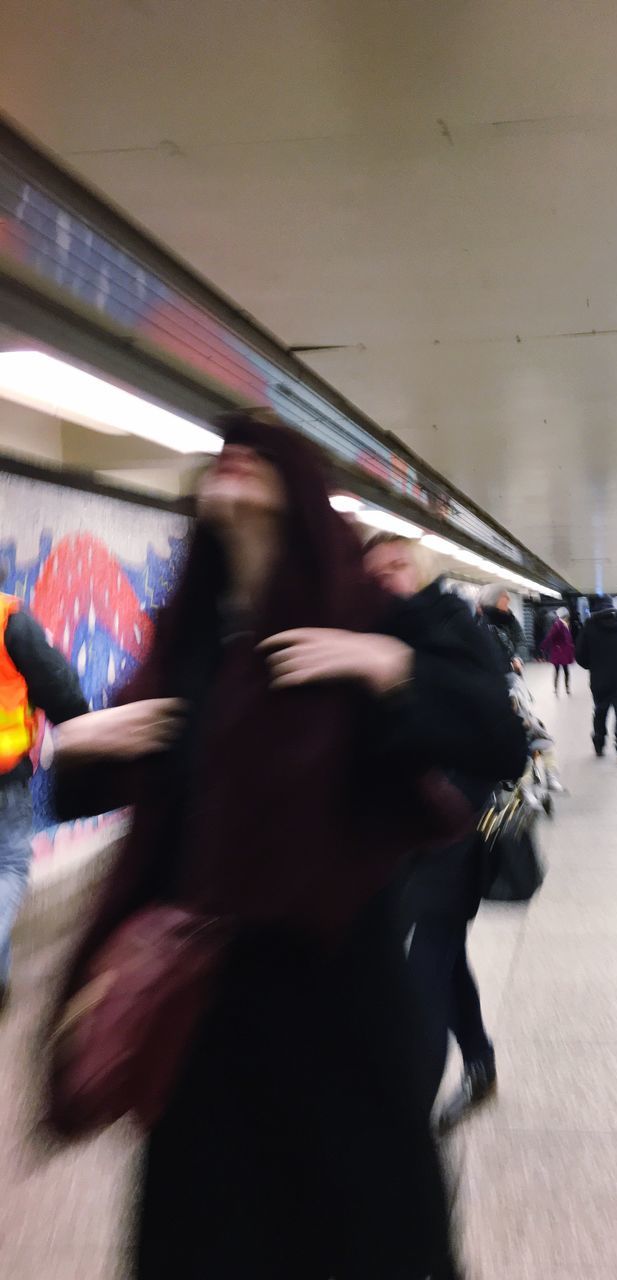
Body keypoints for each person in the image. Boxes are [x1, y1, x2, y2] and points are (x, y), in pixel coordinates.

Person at [47, 411, 528, 1279]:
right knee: (212, 1234)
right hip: (208, 1008)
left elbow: (496, 734)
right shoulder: (191, 639)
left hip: (341, 989)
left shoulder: (376, 614)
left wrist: (386, 665)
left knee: (358, 1226)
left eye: (259, 454)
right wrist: (76, 748)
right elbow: (141, 796)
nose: (233, 456)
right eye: (223, 453)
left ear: (300, 491)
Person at [363, 531, 526, 1136]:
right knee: (443, 952)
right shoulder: (367, 635)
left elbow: (502, 740)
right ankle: (479, 1061)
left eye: (399, 562)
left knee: (425, 959)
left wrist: (406, 679)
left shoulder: (456, 627)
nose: (388, 575)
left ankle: (405, 1119)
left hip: (455, 820)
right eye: (375, 569)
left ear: (424, 568)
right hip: (394, 826)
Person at [0, 588, 87, 1014]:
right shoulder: (6, 617)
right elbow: (60, 687)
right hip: (1, 779)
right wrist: (82, 728)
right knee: (8, 866)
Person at [575, 595, 617, 765]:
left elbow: (580, 655)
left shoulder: (590, 626)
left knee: (600, 710)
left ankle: (599, 744)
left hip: (599, 678)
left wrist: (592, 665)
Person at [477, 583, 525, 674]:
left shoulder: (510, 618)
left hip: (511, 675)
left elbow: (520, 640)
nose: (509, 599)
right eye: (504, 596)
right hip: (493, 679)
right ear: (493, 600)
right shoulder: (482, 623)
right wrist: (510, 666)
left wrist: (518, 658)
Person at [542, 607, 576, 693]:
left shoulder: (564, 625)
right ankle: (557, 688)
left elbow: (568, 639)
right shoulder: (558, 625)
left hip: (563, 651)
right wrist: (543, 646)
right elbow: (550, 636)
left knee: (563, 670)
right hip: (559, 651)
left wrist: (571, 647)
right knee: (559, 670)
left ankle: (565, 688)